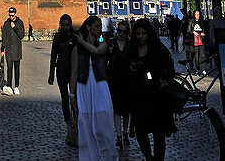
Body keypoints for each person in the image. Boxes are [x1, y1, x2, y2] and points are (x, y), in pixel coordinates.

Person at [127, 18, 175, 161]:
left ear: (149, 34)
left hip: (156, 96)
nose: (141, 36)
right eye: (138, 34)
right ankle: (148, 156)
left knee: (158, 132)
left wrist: (164, 81)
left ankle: (159, 158)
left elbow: (169, 69)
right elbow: (125, 69)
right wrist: (132, 68)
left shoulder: (157, 49)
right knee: (141, 130)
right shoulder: (132, 50)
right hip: (139, 97)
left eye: (143, 33)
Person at [70, 14, 117, 160]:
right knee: (86, 124)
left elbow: (96, 52)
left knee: (103, 124)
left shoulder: (104, 44)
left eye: (100, 27)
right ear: (89, 27)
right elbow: (74, 73)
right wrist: (71, 94)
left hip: (100, 85)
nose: (100, 29)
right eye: (97, 26)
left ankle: (107, 156)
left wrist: (82, 42)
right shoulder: (77, 50)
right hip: (84, 86)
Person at [49, 13, 77, 125]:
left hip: (73, 70)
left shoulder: (75, 36)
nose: (65, 27)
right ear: (60, 25)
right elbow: (53, 55)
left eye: (67, 25)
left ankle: (76, 117)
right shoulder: (57, 37)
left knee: (74, 96)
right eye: (63, 25)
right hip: (61, 69)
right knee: (64, 97)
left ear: (70, 24)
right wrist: (51, 74)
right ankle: (68, 119)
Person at [107, 20, 131, 151]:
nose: (121, 33)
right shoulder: (111, 43)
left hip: (127, 80)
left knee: (126, 110)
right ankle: (119, 135)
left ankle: (126, 132)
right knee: (116, 108)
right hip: (114, 80)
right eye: (119, 31)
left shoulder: (130, 44)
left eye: (124, 31)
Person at [0, 6, 25, 95]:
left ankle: (16, 86)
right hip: (8, 50)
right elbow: (4, 37)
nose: (11, 17)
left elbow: (21, 35)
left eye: (12, 15)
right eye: (10, 15)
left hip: (17, 49)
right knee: (9, 69)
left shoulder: (20, 23)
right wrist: (2, 49)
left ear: (15, 14)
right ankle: (9, 86)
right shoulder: (6, 23)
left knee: (17, 69)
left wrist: (15, 27)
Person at [183, 9, 206, 75]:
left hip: (201, 40)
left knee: (203, 55)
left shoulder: (202, 22)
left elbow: (205, 30)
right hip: (194, 40)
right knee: (196, 56)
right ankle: (197, 69)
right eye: (196, 14)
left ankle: (204, 69)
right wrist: (193, 32)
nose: (197, 16)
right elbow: (188, 30)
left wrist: (203, 33)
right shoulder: (191, 21)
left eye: (198, 14)